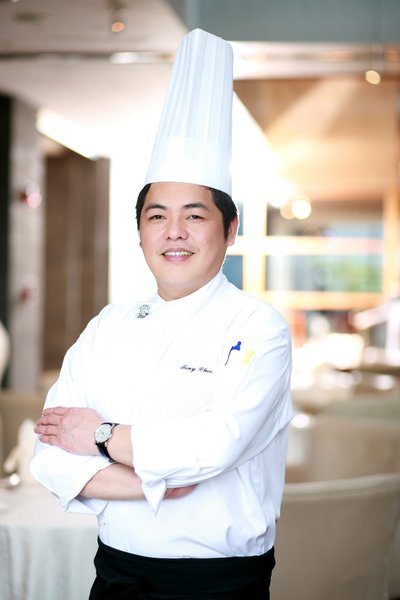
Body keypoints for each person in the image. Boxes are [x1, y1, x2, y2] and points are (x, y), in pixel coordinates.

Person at [31, 29, 292, 600]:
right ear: (140, 232)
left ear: (230, 229)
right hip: (115, 573)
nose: (174, 232)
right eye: (157, 216)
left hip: (218, 582)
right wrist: (151, 482)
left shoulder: (258, 327)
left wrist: (98, 435)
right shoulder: (108, 324)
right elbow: (49, 452)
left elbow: (214, 446)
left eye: (194, 215)